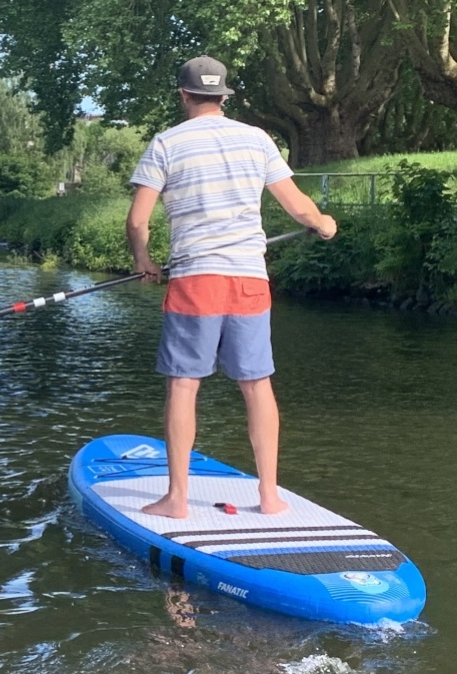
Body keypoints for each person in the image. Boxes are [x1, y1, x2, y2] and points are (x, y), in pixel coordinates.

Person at [125, 55, 337, 519]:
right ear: (224, 96)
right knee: (257, 385)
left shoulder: (166, 143)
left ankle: (177, 499)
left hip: (195, 280)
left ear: (183, 95)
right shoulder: (257, 139)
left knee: (184, 385)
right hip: (247, 279)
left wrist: (144, 261)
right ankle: (270, 496)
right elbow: (298, 205)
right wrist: (322, 223)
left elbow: (138, 220)